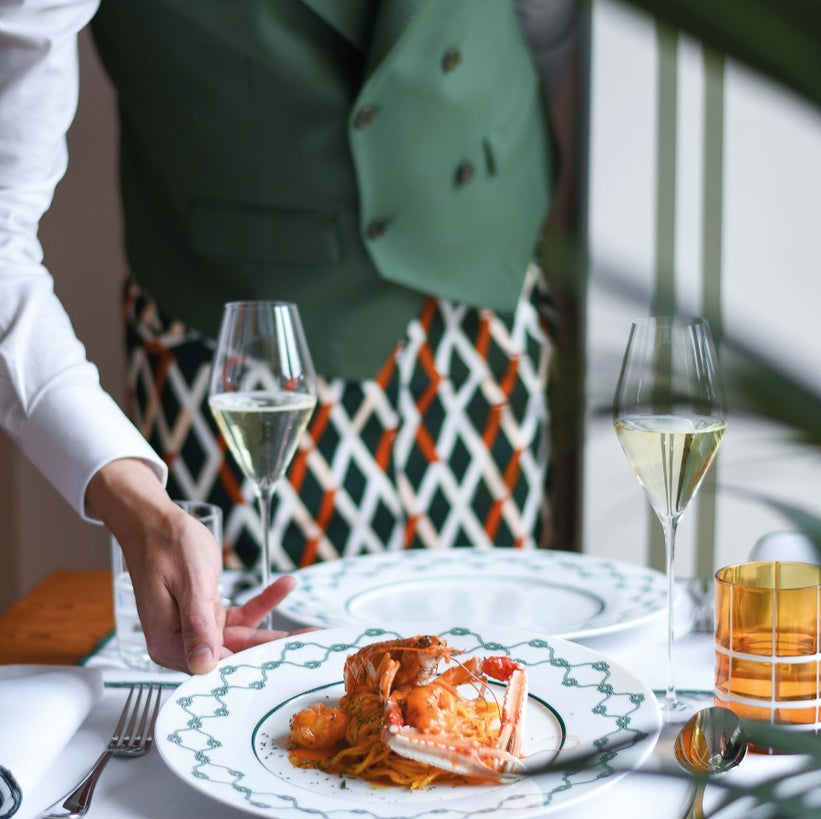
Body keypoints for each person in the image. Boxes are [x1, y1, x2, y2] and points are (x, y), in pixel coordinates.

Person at [0, 1, 580, 665]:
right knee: (273, 698)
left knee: (491, 678)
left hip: (484, 301)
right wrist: (134, 499)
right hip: (245, 353)